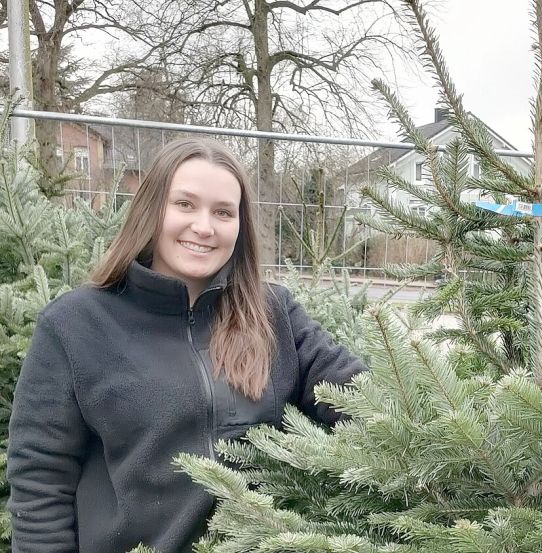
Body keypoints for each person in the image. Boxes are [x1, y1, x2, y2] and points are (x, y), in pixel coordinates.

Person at [7, 138, 367, 552]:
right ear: (152, 209)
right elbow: (39, 478)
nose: (204, 227)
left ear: (239, 226)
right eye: (185, 205)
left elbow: (358, 396)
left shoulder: (273, 313)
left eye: (223, 212)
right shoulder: (75, 324)